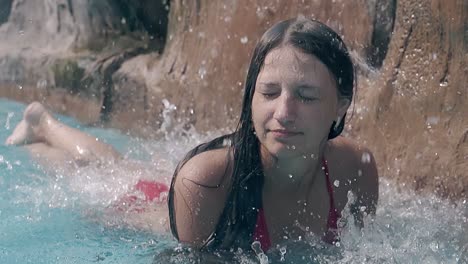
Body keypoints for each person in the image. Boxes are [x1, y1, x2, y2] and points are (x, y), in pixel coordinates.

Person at [6, 17, 378, 253]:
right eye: (268, 93)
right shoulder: (205, 184)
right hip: (153, 211)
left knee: (120, 167)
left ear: (341, 104)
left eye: (306, 96)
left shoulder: (355, 169)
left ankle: (43, 125)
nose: (283, 112)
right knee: (99, 176)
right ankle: (44, 128)